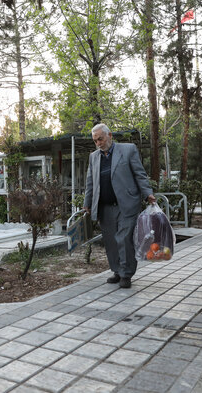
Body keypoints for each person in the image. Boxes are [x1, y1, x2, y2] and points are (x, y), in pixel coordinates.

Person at [84, 123, 156, 288]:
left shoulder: (128, 149)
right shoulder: (94, 157)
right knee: (111, 241)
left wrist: (147, 193)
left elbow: (140, 173)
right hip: (104, 207)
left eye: (100, 139)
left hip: (127, 204)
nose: (98, 143)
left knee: (124, 239)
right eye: (95, 141)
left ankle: (126, 274)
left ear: (110, 136)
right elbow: (90, 183)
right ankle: (117, 271)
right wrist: (87, 203)